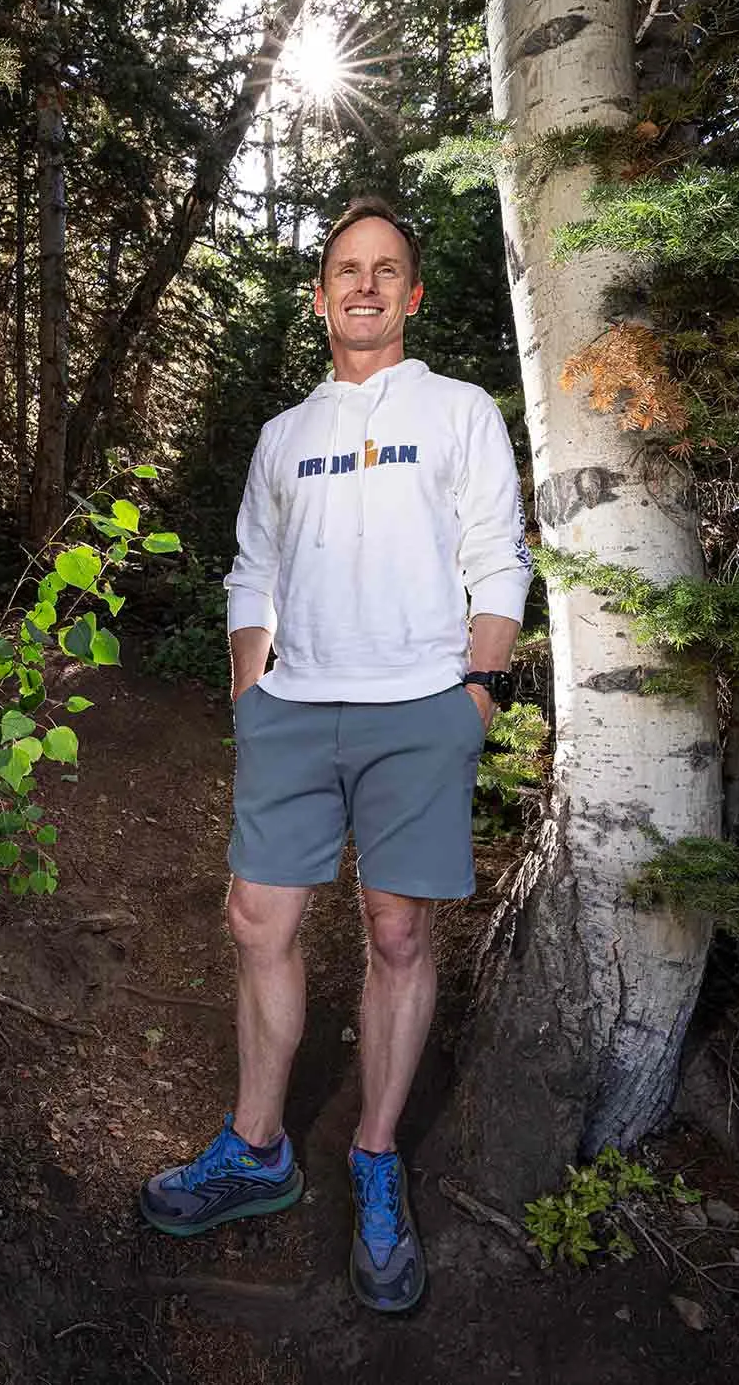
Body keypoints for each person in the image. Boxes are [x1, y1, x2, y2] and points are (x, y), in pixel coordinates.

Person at [138, 197, 530, 1312]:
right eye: (346, 269)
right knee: (257, 919)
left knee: (397, 930)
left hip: (421, 707)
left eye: (385, 268)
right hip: (295, 709)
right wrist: (249, 696)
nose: (365, 284)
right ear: (319, 300)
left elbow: (498, 556)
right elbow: (252, 570)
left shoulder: (458, 412)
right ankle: (258, 1146)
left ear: (412, 294)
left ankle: (374, 1155)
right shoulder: (284, 436)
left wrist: (479, 694)